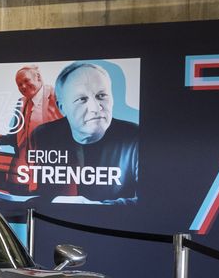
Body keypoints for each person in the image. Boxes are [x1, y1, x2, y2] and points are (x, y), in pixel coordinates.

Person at [28, 62, 138, 205]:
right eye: (81, 99)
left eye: (101, 95)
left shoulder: (135, 136)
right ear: (62, 108)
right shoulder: (43, 135)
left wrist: (95, 207)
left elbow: (149, 199)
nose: (95, 108)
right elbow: (39, 191)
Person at [0, 65, 63, 193]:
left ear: (38, 77)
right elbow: (17, 136)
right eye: (19, 85)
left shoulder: (56, 97)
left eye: (26, 81)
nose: (23, 87)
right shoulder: (21, 102)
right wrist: (1, 139)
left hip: (47, 174)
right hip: (20, 174)